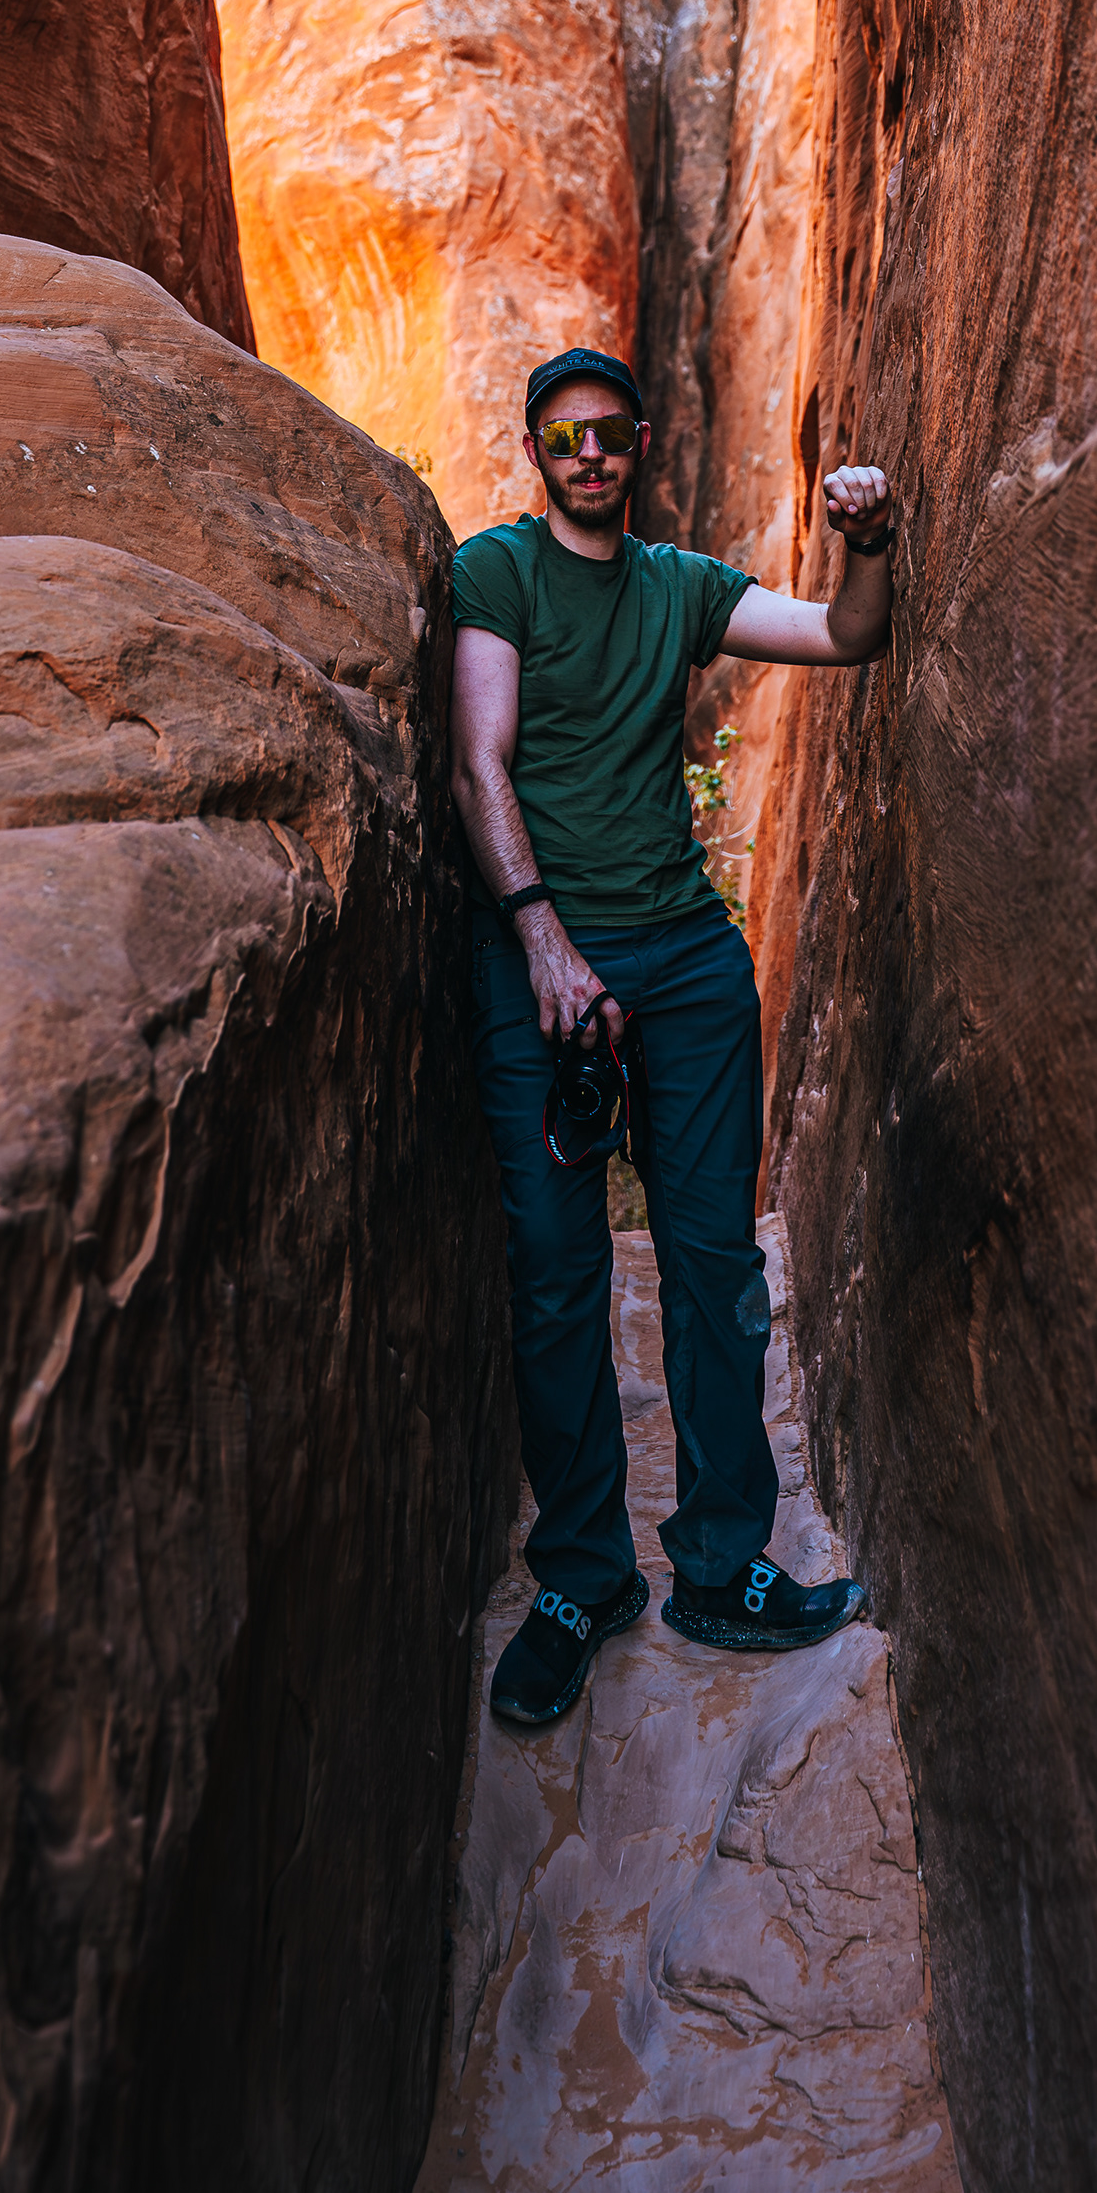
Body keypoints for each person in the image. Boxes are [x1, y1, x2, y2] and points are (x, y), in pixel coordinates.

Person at [449, 342, 896, 1729]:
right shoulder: (499, 573)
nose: (588, 454)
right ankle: (583, 1579)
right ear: (538, 451)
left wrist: (870, 542)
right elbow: (481, 756)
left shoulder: (679, 586)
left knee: (713, 1262)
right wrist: (540, 938)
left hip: (687, 962)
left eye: (608, 434)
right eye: (563, 436)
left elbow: (846, 635)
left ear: (637, 443)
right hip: (545, 963)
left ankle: (719, 1564)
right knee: (556, 1271)